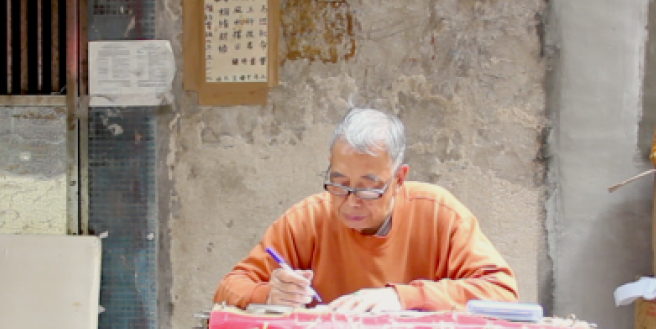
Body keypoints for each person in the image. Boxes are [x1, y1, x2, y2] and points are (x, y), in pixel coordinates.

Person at [213, 108, 518, 312]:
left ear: (399, 179)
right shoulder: (307, 219)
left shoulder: (439, 214)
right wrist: (269, 295)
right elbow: (229, 289)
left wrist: (402, 298)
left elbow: (501, 291)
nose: (351, 201)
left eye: (368, 188)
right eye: (339, 184)